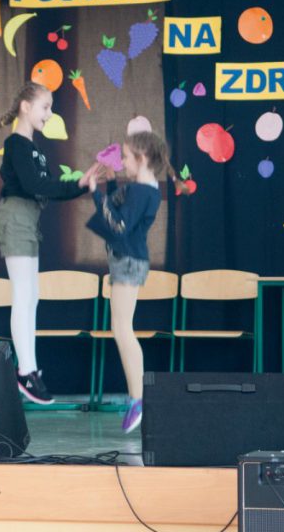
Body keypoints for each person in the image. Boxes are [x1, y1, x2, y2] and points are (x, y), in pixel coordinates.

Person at [0, 81, 100, 404]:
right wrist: (77, 184)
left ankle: (29, 370)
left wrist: (80, 184)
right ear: (26, 107)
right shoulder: (16, 144)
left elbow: (47, 185)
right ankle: (26, 372)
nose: (49, 114)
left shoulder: (32, 148)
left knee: (31, 297)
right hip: (16, 219)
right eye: (45, 107)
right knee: (23, 296)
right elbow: (36, 184)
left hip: (28, 221)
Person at [85, 131, 187, 433]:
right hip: (127, 261)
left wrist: (95, 192)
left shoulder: (143, 192)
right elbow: (120, 208)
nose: (123, 162)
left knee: (122, 329)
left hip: (128, 262)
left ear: (142, 159)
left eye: (127, 157)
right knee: (121, 328)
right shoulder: (144, 189)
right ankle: (137, 397)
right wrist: (110, 183)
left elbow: (118, 224)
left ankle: (138, 398)